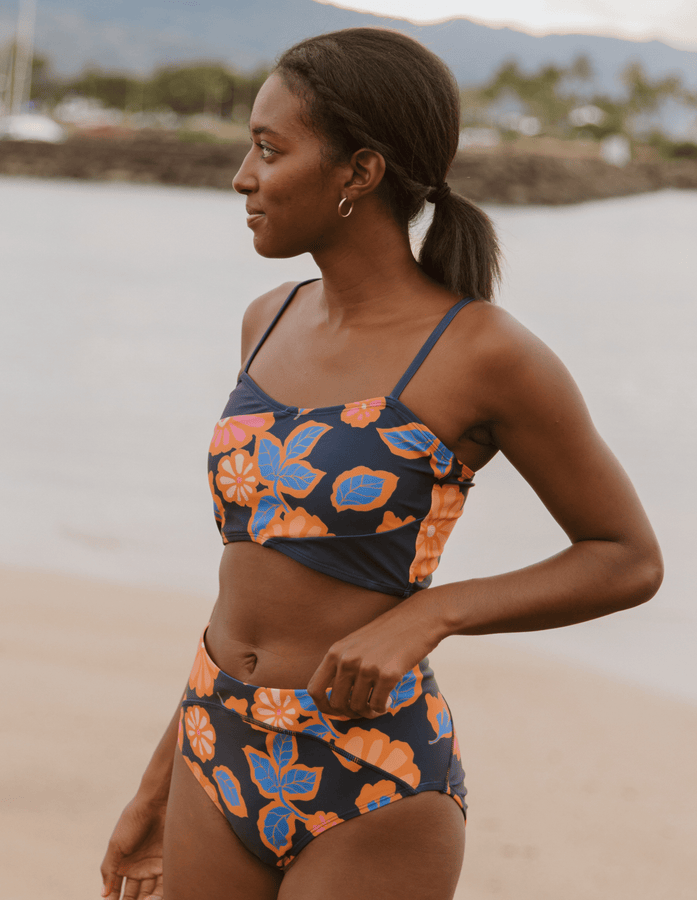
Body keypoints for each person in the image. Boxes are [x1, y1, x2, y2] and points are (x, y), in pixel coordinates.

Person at [100, 27, 663, 900]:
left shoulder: (483, 352)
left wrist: (430, 615)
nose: (242, 178)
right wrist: (154, 785)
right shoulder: (268, 318)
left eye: (268, 149)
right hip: (216, 749)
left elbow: (626, 557)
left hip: (373, 777)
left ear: (359, 173)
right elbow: (245, 589)